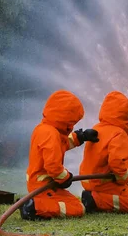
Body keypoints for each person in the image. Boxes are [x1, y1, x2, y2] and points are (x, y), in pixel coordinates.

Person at [21, 90, 99, 220]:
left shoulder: (44, 129)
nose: (73, 126)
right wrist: (65, 178)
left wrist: (81, 137)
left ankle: (34, 202)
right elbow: (53, 166)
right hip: (44, 186)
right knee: (77, 208)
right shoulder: (50, 134)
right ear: (66, 119)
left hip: (41, 184)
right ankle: (34, 207)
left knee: (73, 202)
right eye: (73, 122)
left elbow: (61, 145)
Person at [80, 91, 128, 213]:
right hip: (104, 184)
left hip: (87, 182)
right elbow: (116, 162)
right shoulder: (119, 134)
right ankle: (95, 200)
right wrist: (124, 179)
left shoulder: (97, 127)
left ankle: (95, 199)